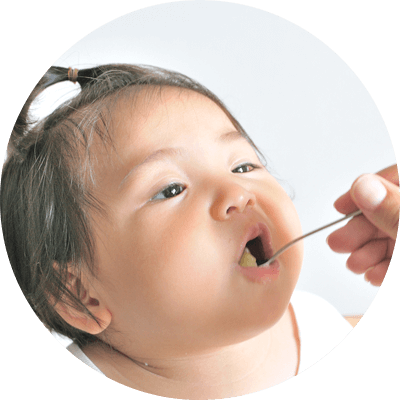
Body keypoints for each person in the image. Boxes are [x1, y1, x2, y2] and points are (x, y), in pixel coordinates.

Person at [1, 64, 397, 398]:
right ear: (79, 294)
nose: (237, 192)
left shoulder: (325, 330)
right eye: (171, 189)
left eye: (243, 166)